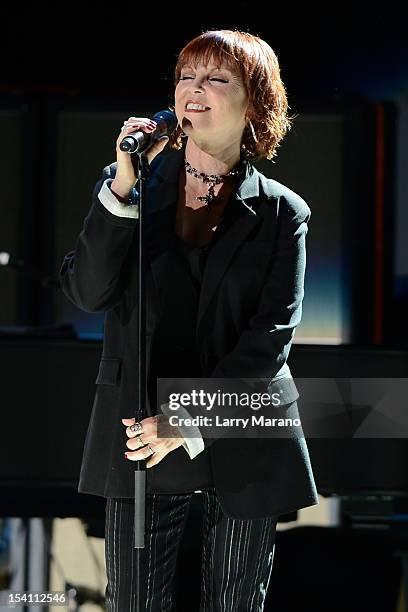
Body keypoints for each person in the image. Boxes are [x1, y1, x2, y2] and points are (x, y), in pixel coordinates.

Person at [60, 29, 319, 612]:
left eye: (215, 78)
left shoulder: (282, 211)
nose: (193, 90)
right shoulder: (134, 190)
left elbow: (269, 339)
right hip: (140, 430)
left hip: (238, 425)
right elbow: (86, 289)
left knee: (234, 600)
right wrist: (122, 184)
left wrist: (188, 418)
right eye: (185, 77)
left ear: (255, 103)